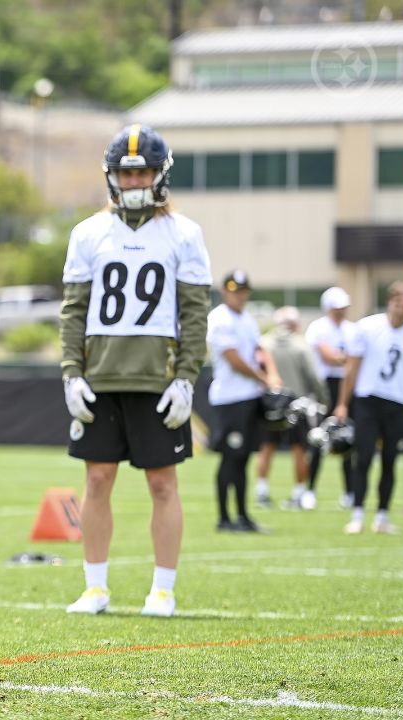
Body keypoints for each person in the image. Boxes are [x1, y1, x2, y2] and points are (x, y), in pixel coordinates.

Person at [60, 124, 212, 619]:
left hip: (156, 376)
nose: (134, 181)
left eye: (143, 171)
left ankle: (163, 590)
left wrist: (186, 377)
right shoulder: (88, 232)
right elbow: (74, 311)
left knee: (163, 483)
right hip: (101, 375)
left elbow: (194, 313)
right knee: (98, 478)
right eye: (126, 174)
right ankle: (95, 587)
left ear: (161, 174)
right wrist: (71, 372)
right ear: (112, 178)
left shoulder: (185, 234)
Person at [206, 270, 280, 534]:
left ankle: (243, 516)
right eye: (234, 291)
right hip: (229, 398)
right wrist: (263, 377)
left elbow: (259, 350)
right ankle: (224, 518)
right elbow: (233, 358)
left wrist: (272, 375)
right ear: (225, 291)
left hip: (249, 397)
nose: (239, 296)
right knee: (230, 456)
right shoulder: (219, 318)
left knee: (243, 457)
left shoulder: (247, 319)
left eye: (243, 291)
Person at [336, 281, 403, 535]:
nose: (402, 310)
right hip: (369, 399)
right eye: (399, 304)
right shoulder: (368, 327)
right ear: (390, 301)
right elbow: (351, 367)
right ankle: (357, 514)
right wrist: (343, 403)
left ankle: (382, 516)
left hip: (400, 402)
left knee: (390, 460)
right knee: (363, 457)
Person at [255, 306, 327, 510]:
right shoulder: (301, 345)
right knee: (299, 449)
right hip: (297, 403)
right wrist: (322, 400)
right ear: (294, 324)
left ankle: (261, 492)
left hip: (270, 403)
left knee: (266, 448)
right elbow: (314, 377)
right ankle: (298, 494)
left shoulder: (264, 342)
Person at [305, 286, 359, 509]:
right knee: (319, 439)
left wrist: (346, 361)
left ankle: (349, 492)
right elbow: (329, 357)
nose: (342, 311)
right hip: (324, 389)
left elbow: (352, 362)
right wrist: (347, 359)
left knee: (347, 440)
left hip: (347, 387)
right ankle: (309, 490)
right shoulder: (318, 328)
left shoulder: (353, 329)